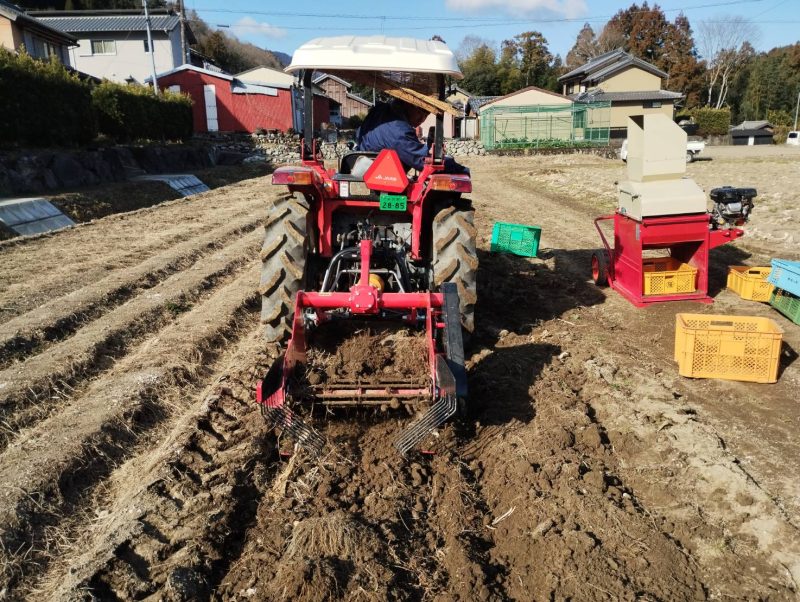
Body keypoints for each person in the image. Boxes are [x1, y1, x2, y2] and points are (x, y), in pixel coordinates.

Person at [355, 99, 469, 175]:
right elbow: (420, 160)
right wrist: (460, 169)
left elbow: (359, 134)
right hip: (380, 174)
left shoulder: (379, 111)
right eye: (420, 112)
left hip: (365, 162)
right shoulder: (399, 130)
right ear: (408, 104)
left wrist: (426, 150)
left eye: (426, 115)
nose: (422, 119)